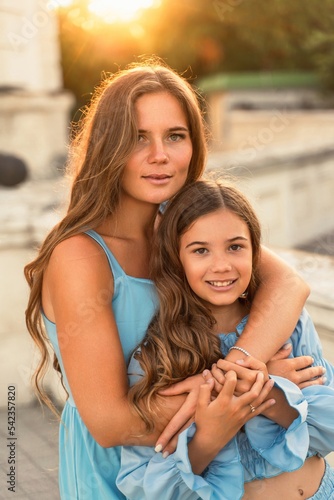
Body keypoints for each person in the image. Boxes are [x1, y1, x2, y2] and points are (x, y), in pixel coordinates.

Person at [24, 60, 312, 499]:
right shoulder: (80, 257)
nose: (160, 155)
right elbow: (110, 423)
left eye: (175, 136)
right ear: (108, 147)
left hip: (195, 470)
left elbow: (289, 284)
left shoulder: (183, 229)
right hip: (116, 474)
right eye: (138, 138)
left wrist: (238, 372)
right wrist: (254, 387)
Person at [116, 179, 334, 500]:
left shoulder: (288, 324)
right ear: (177, 260)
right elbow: (151, 490)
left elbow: (328, 429)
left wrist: (269, 390)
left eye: (235, 246)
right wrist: (211, 435)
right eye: (200, 250)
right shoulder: (156, 356)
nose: (222, 265)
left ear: (254, 250)